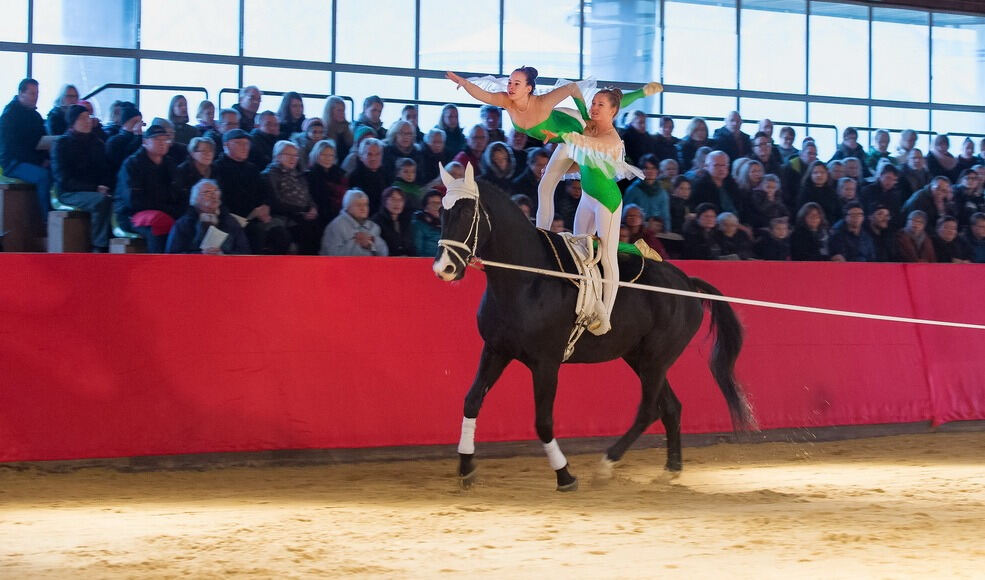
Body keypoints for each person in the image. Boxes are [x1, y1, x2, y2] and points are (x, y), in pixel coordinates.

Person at [447, 66, 660, 229]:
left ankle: (642, 92)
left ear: (529, 89)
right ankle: (542, 233)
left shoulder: (542, 102)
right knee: (545, 185)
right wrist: (464, 83)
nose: (510, 87)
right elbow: (484, 95)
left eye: (517, 84)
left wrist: (586, 116)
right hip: (562, 138)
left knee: (608, 104)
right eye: (510, 82)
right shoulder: (507, 102)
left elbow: (572, 88)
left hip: (575, 128)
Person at [552, 88, 647, 334]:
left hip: (607, 202)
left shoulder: (612, 140)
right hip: (587, 197)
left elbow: (588, 144)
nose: (593, 107)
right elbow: (585, 160)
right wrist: (557, 171)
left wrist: (564, 134)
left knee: (606, 256)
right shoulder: (590, 128)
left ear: (613, 111)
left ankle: (606, 316)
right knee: (578, 247)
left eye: (600, 104)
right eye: (593, 102)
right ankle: (584, 298)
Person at [213, 128, 288, 254]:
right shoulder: (217, 168)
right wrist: (252, 212)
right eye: (239, 143)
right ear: (226, 145)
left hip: (256, 217)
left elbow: (265, 192)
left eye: (247, 144)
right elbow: (224, 198)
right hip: (230, 217)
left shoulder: (252, 168)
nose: (244, 147)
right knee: (254, 233)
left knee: (281, 234)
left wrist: (265, 206)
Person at [50, 104, 112, 251]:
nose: (88, 121)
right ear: (72, 122)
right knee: (101, 201)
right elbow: (63, 178)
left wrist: (105, 185)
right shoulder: (61, 144)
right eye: (82, 118)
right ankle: (99, 245)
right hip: (69, 191)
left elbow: (105, 170)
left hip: (94, 189)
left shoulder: (97, 143)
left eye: (88, 117)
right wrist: (94, 188)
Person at [114, 124, 185, 252]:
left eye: (165, 140)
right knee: (157, 227)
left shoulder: (170, 164)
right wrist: (166, 208)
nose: (162, 143)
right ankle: (157, 265)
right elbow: (133, 200)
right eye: (157, 139)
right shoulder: (132, 164)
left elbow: (178, 192)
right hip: (132, 214)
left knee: (188, 221)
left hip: (166, 211)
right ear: (145, 142)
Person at [1, 78, 52, 222]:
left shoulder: (35, 116)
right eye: (32, 93)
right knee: (43, 176)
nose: (35, 97)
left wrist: (46, 158)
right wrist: (39, 161)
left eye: (37, 94)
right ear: (21, 93)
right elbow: (14, 148)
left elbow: (42, 139)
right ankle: (47, 219)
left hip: (33, 160)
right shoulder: (9, 116)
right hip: (13, 163)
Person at [263, 140, 320, 254]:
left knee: (315, 228)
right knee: (284, 236)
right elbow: (276, 202)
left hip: (298, 215)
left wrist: (312, 208)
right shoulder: (269, 175)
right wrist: (303, 209)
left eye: (296, 155)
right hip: (279, 216)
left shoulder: (298, 175)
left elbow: (307, 196)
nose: (293, 158)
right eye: (289, 155)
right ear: (278, 156)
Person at [165, 179, 250, 254]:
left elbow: (244, 251)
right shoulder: (184, 224)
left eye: (216, 191)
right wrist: (201, 254)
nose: (213, 196)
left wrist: (223, 253)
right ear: (195, 199)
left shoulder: (230, 221)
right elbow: (173, 254)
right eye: (207, 192)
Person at [320, 188, 387, 256]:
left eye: (365, 204)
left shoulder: (373, 227)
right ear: (347, 207)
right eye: (358, 205)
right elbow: (331, 256)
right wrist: (357, 243)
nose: (363, 208)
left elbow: (384, 254)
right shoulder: (336, 226)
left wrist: (371, 244)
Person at [307, 138, 347, 226]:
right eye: (323, 155)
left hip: (340, 212)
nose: (328, 158)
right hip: (319, 214)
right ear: (316, 155)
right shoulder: (310, 175)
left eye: (331, 155)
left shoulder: (340, 173)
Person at [622, 153, 669, 227]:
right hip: (636, 230)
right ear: (641, 170)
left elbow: (666, 217)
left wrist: (666, 231)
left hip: (656, 232)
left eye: (653, 168)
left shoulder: (662, 193)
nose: (650, 171)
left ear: (657, 171)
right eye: (647, 168)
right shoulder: (633, 190)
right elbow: (625, 215)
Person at [691, 151, 741, 217]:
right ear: (706, 166)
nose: (721, 169)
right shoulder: (700, 186)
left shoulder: (731, 183)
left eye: (724, 165)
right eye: (716, 165)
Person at [346, 137, 388, 215]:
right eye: (369, 154)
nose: (373, 158)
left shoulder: (386, 174)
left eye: (377, 154)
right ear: (361, 157)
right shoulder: (355, 177)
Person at [373, 186, 415, 256]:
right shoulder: (377, 221)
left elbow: (411, 245)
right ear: (385, 201)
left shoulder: (406, 220)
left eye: (400, 200)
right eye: (393, 199)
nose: (397, 203)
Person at [861, 162, 904, 228]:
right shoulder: (867, 191)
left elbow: (896, 216)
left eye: (894, 180)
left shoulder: (895, 195)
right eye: (888, 178)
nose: (890, 182)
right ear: (880, 176)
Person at [796, 160, 840, 224]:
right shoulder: (804, 193)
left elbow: (838, 212)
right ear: (810, 175)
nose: (819, 175)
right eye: (815, 172)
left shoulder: (832, 192)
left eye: (822, 172)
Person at [780, 139, 817, 213]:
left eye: (814, 154)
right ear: (801, 154)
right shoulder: (790, 167)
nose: (812, 156)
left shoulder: (816, 169)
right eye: (809, 153)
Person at [176, 136, 216, 203]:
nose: (208, 154)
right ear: (192, 153)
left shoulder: (215, 169)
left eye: (211, 151)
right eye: (203, 151)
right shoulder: (182, 171)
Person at [412, 189, 443, 258]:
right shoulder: (418, 224)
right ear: (425, 207)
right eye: (433, 203)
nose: (437, 206)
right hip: (427, 262)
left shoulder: (446, 224)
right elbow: (418, 251)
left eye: (439, 203)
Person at [322, 95, 354, 160]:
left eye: (343, 110)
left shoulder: (348, 129)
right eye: (339, 110)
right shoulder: (323, 131)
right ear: (330, 112)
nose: (342, 113)